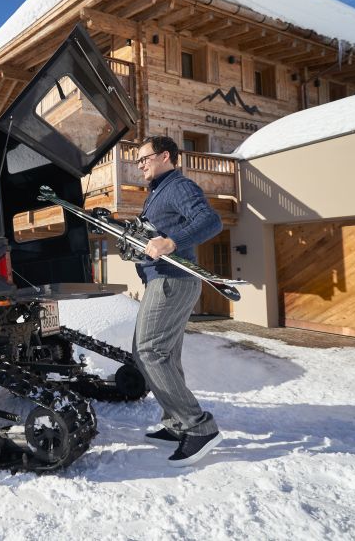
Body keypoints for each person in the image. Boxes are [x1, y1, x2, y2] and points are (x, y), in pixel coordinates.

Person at [132, 136, 223, 467]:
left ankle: (200, 427)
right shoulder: (157, 193)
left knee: (149, 352)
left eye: (144, 158)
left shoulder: (179, 186)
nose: (140, 164)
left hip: (174, 281)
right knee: (162, 354)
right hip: (162, 281)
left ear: (165, 155)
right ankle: (176, 424)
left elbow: (211, 221)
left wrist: (172, 243)